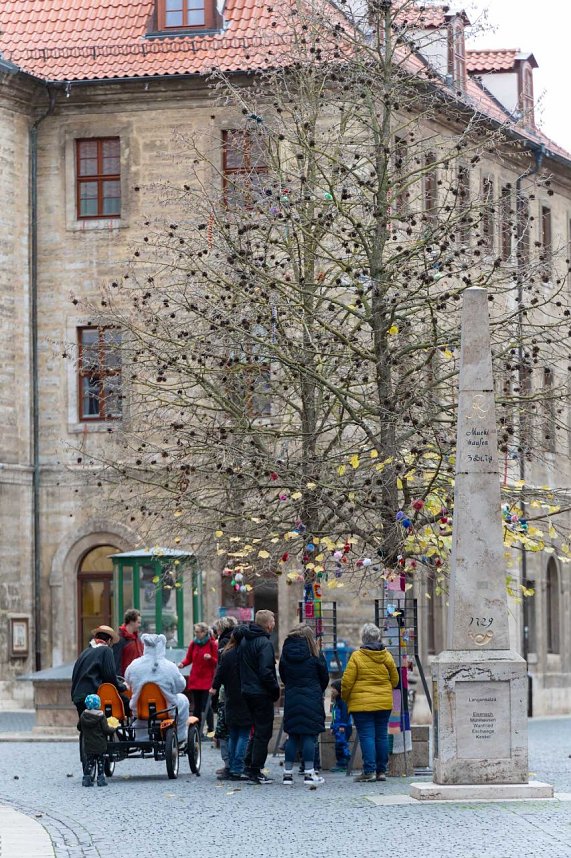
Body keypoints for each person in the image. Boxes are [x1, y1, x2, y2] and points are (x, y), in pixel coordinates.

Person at [341, 623, 399, 783]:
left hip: (361, 705)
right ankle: (382, 771)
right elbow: (395, 680)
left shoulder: (356, 656)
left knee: (367, 736)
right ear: (378, 637)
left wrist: (345, 697)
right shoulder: (386, 656)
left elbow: (346, 682)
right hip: (384, 703)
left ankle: (369, 771)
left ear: (363, 638)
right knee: (381, 736)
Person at [278, 624, 329, 787]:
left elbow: (283, 675)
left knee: (292, 735)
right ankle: (309, 772)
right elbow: (324, 676)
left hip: (292, 696)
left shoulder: (286, 652)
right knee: (309, 736)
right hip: (311, 697)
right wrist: (316, 688)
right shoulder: (315, 653)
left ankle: (287, 774)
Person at [235, 609, 280, 785]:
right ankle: (255, 769)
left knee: (256, 730)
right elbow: (266, 671)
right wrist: (275, 690)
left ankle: (249, 765)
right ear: (268, 624)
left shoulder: (246, 640)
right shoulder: (264, 643)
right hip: (260, 692)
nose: (274, 623)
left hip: (247, 690)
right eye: (273, 620)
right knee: (263, 732)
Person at [125, 633, 189, 744]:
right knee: (183, 700)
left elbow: (128, 681)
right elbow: (181, 686)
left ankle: (142, 736)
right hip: (166, 710)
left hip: (140, 709)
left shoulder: (134, 665)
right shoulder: (169, 667)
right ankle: (180, 736)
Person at [211, 627, 253, 781]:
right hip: (246, 695)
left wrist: (214, 688)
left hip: (230, 696)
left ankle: (231, 766)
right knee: (244, 733)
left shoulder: (227, 654)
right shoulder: (248, 654)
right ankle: (237, 768)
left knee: (233, 733)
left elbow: (219, 674)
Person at [71, 625, 127, 717]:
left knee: (86, 727)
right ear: (109, 640)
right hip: (93, 698)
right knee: (126, 702)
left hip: (78, 696)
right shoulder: (106, 650)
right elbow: (109, 677)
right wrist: (123, 686)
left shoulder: (86, 652)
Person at [178, 622, 218, 736]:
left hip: (206, 679)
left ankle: (210, 731)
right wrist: (182, 664)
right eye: (195, 632)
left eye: (198, 632)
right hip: (195, 679)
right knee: (196, 707)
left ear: (205, 632)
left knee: (207, 706)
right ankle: (197, 731)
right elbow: (189, 658)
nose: (196, 634)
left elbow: (217, 662)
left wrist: (210, 658)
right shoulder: (193, 644)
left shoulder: (212, 645)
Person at [212, 616, 238, 777]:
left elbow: (221, 669)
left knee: (224, 729)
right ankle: (235, 763)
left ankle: (230, 764)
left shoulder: (224, 643)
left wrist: (215, 687)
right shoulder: (237, 641)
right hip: (235, 690)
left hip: (226, 692)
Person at [78, 693, 117, 787]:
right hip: (100, 744)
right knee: (100, 762)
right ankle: (100, 779)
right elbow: (106, 729)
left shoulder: (83, 715)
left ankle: (86, 778)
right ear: (98, 704)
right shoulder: (101, 716)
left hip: (88, 744)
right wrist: (114, 728)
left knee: (89, 762)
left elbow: (79, 727)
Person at [329, 679, 352, 771]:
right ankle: (340, 763)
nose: (332, 690)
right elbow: (334, 716)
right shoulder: (336, 702)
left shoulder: (343, 702)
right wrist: (332, 726)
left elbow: (345, 715)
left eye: (334, 688)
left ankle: (344, 763)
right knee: (338, 745)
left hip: (343, 728)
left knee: (342, 745)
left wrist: (342, 726)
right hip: (337, 728)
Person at [112, 609, 143, 677]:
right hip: (125, 680)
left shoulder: (137, 639)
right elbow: (116, 662)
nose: (140, 625)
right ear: (131, 622)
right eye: (138, 622)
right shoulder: (119, 639)